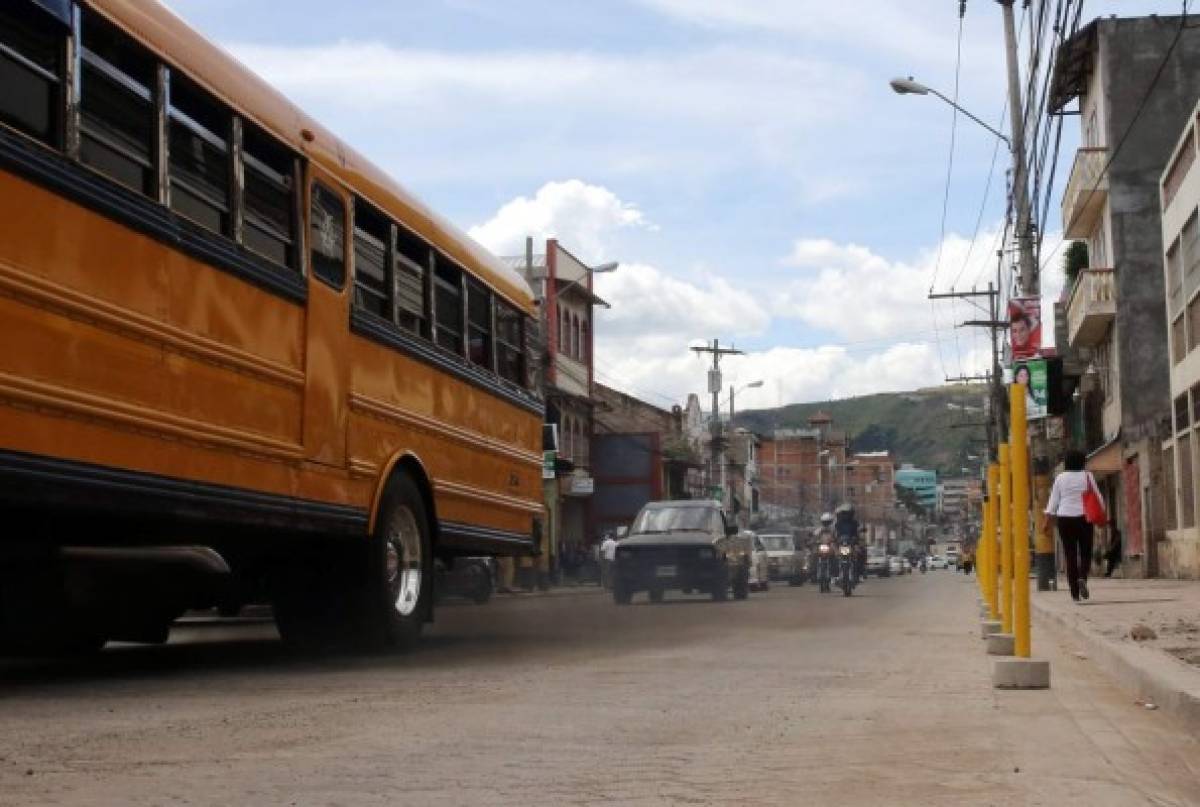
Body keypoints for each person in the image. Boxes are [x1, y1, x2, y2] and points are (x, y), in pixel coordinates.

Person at [1040, 449, 1105, 602]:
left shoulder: (1060, 478)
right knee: (1085, 552)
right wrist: (1102, 515)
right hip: (1084, 518)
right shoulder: (1087, 475)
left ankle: (1075, 594)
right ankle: (1082, 577)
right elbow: (1098, 496)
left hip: (1064, 518)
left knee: (1070, 554)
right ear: (1082, 462)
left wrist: (1046, 521)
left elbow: (1053, 501)